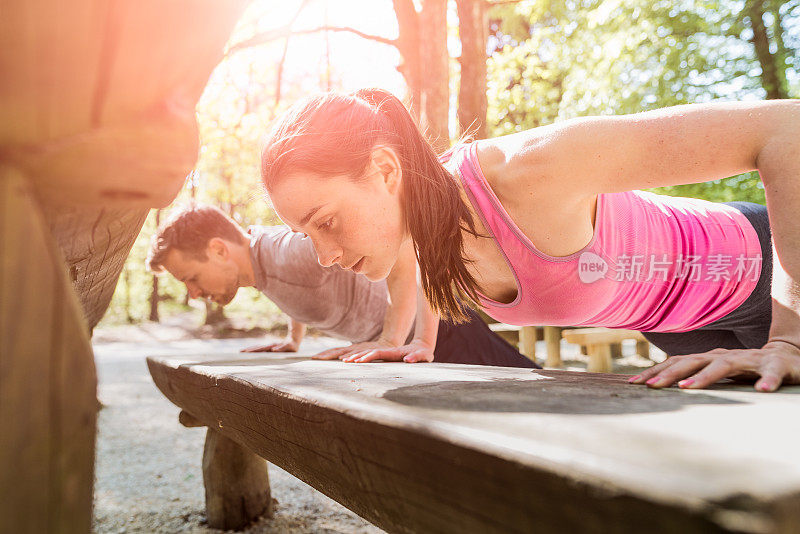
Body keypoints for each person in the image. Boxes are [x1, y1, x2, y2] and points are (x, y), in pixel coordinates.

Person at [259, 87, 800, 392]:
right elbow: (414, 279)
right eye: (305, 235)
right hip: (682, 331)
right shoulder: (416, 229)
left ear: (383, 169)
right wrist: (414, 346)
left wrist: (789, 337)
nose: (326, 258)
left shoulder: (531, 171)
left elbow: (786, 130)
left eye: (324, 221)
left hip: (764, 277)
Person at [145, 204, 539, 369]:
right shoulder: (257, 264)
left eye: (190, 279)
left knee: (535, 403)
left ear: (218, 250)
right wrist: (293, 337)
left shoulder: (290, 252)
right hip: (403, 344)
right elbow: (288, 286)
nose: (193, 294)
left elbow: (406, 252)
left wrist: (392, 337)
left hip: (438, 330)